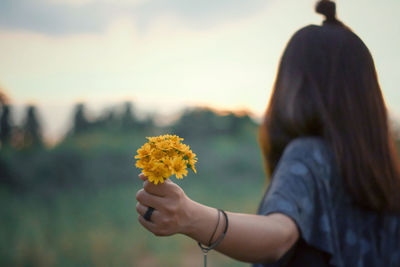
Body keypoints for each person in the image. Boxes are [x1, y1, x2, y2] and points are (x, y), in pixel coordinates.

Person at [135, 0, 400, 266]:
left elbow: (280, 235)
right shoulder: (387, 179)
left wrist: (189, 216)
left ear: (294, 89)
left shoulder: (308, 154)